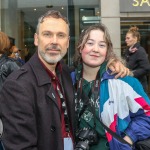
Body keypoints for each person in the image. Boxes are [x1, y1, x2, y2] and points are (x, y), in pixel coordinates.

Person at [0, 10, 129, 150]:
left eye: (60, 35)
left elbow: (91, 66)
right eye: (47, 34)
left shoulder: (67, 74)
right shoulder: (18, 85)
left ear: (67, 42)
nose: (54, 41)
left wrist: (112, 63)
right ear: (36, 39)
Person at [70, 24, 150, 150]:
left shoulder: (125, 82)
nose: (95, 49)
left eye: (102, 45)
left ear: (107, 51)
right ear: (80, 47)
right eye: (90, 43)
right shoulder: (68, 81)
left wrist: (128, 139)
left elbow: (147, 114)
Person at [125, 26, 150, 93]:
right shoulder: (128, 50)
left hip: (139, 84)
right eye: (125, 38)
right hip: (131, 83)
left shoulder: (140, 51)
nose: (126, 40)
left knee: (141, 103)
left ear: (135, 38)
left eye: (128, 38)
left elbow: (146, 68)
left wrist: (132, 73)